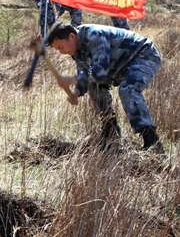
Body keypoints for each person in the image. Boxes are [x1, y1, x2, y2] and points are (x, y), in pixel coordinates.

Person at [46, 22, 162, 152]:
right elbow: (85, 73)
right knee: (94, 85)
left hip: (143, 56)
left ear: (72, 36)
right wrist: (76, 92)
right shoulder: (76, 49)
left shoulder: (94, 35)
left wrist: (70, 80)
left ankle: (151, 140)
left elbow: (100, 71)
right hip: (118, 65)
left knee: (128, 89)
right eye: (58, 50)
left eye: (61, 47)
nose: (62, 52)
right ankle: (110, 133)